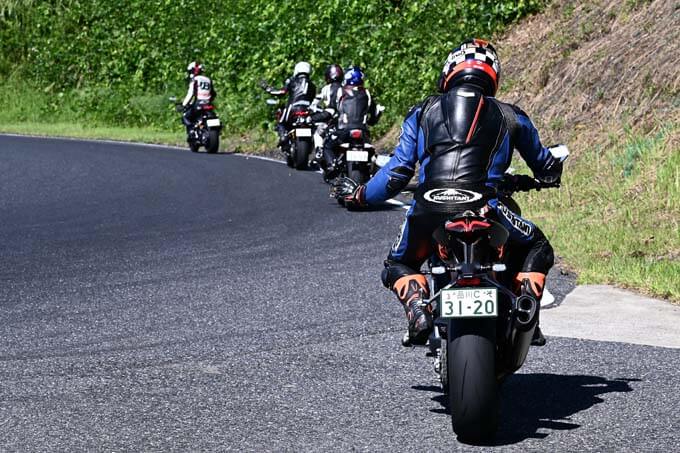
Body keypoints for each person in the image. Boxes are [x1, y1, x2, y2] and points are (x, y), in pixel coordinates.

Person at [334, 39, 563, 346]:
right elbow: (544, 163)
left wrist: (361, 194)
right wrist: (550, 173)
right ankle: (526, 304)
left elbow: (398, 171)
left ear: (449, 71)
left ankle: (417, 304)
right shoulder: (511, 115)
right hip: (487, 207)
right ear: (492, 76)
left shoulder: (422, 110)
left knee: (397, 265)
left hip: (429, 209)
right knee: (538, 247)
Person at [320, 65, 382, 177]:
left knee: (327, 146)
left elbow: (333, 110)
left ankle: (332, 164)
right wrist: (371, 122)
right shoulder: (367, 93)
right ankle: (371, 170)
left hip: (344, 130)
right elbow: (374, 113)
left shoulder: (340, 91)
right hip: (362, 131)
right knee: (371, 152)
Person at [264, 61, 317, 149]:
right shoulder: (312, 85)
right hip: (307, 110)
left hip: (293, 108)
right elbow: (314, 99)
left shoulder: (292, 81)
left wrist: (269, 89)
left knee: (281, 123)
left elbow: (282, 92)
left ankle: (283, 136)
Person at [309, 64, 344, 168]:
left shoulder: (326, 88)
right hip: (342, 117)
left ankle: (319, 152)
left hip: (329, 115)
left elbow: (316, 101)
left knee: (318, 133)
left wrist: (312, 109)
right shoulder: (344, 88)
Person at [181, 61, 216, 136]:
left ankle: (192, 131)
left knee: (185, 117)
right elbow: (213, 93)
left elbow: (190, 94)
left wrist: (184, 105)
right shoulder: (208, 79)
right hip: (208, 104)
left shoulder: (195, 80)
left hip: (198, 104)